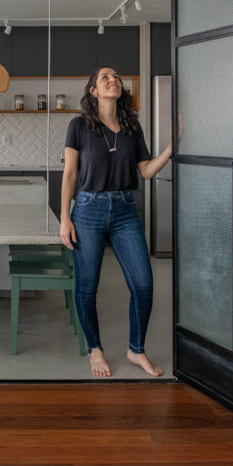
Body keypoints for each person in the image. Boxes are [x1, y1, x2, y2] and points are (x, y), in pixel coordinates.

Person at [59, 67, 172, 377]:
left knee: (144, 284)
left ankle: (136, 350)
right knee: (87, 286)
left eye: (117, 77)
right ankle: (95, 349)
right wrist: (65, 218)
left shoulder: (132, 127)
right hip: (87, 210)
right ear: (93, 90)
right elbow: (70, 173)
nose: (113, 80)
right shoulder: (78, 126)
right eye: (105, 77)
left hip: (124, 210)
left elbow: (146, 171)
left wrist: (171, 148)